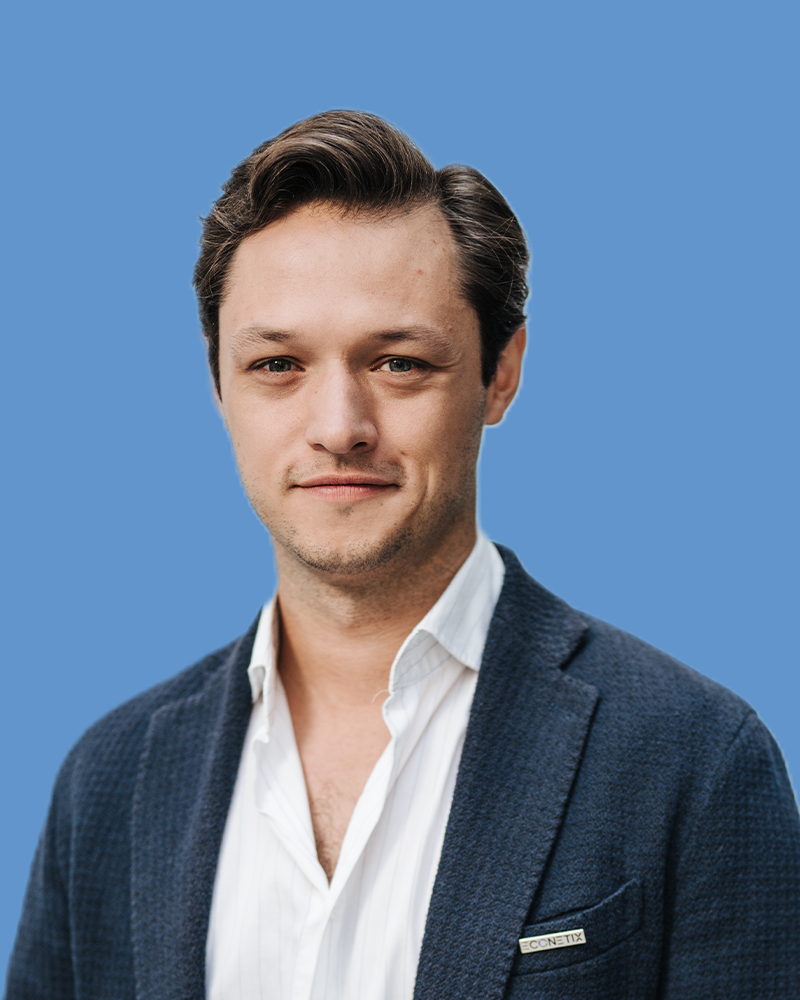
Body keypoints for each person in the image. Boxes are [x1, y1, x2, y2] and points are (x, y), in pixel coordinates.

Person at [5, 110, 799, 1000]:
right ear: (218, 383)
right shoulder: (107, 783)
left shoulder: (693, 758)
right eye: (278, 365)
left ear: (501, 373)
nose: (339, 426)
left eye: (399, 363)